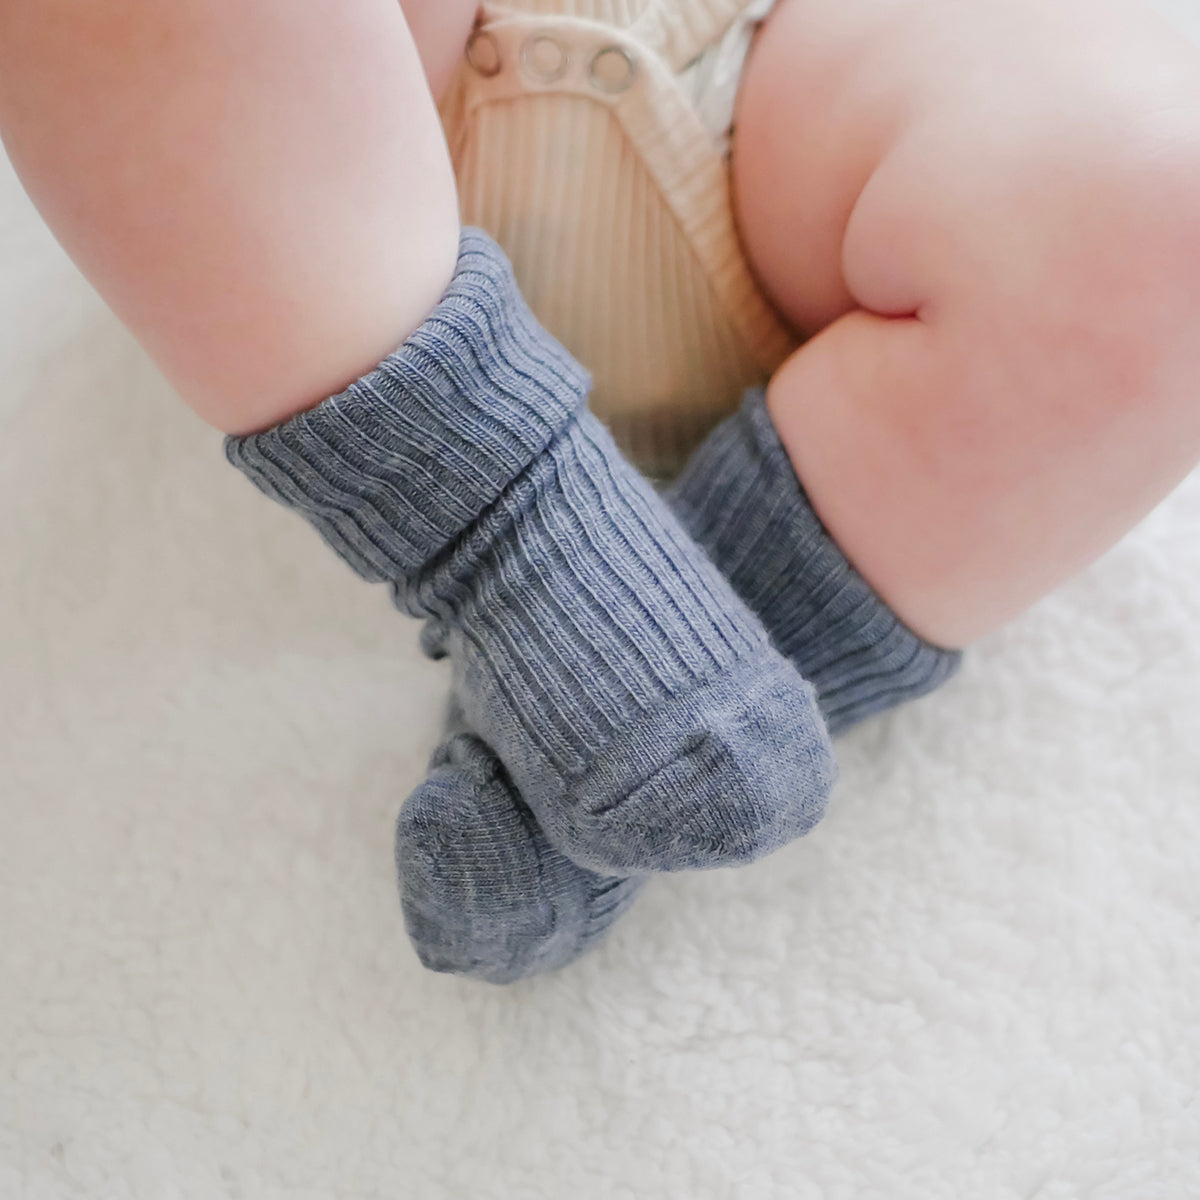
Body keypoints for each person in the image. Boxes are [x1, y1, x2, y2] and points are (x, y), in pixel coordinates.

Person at [2, 0, 1198, 983]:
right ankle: (494, 510)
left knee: (1158, 204)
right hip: (365, 108)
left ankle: (660, 684)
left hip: (798, 73)